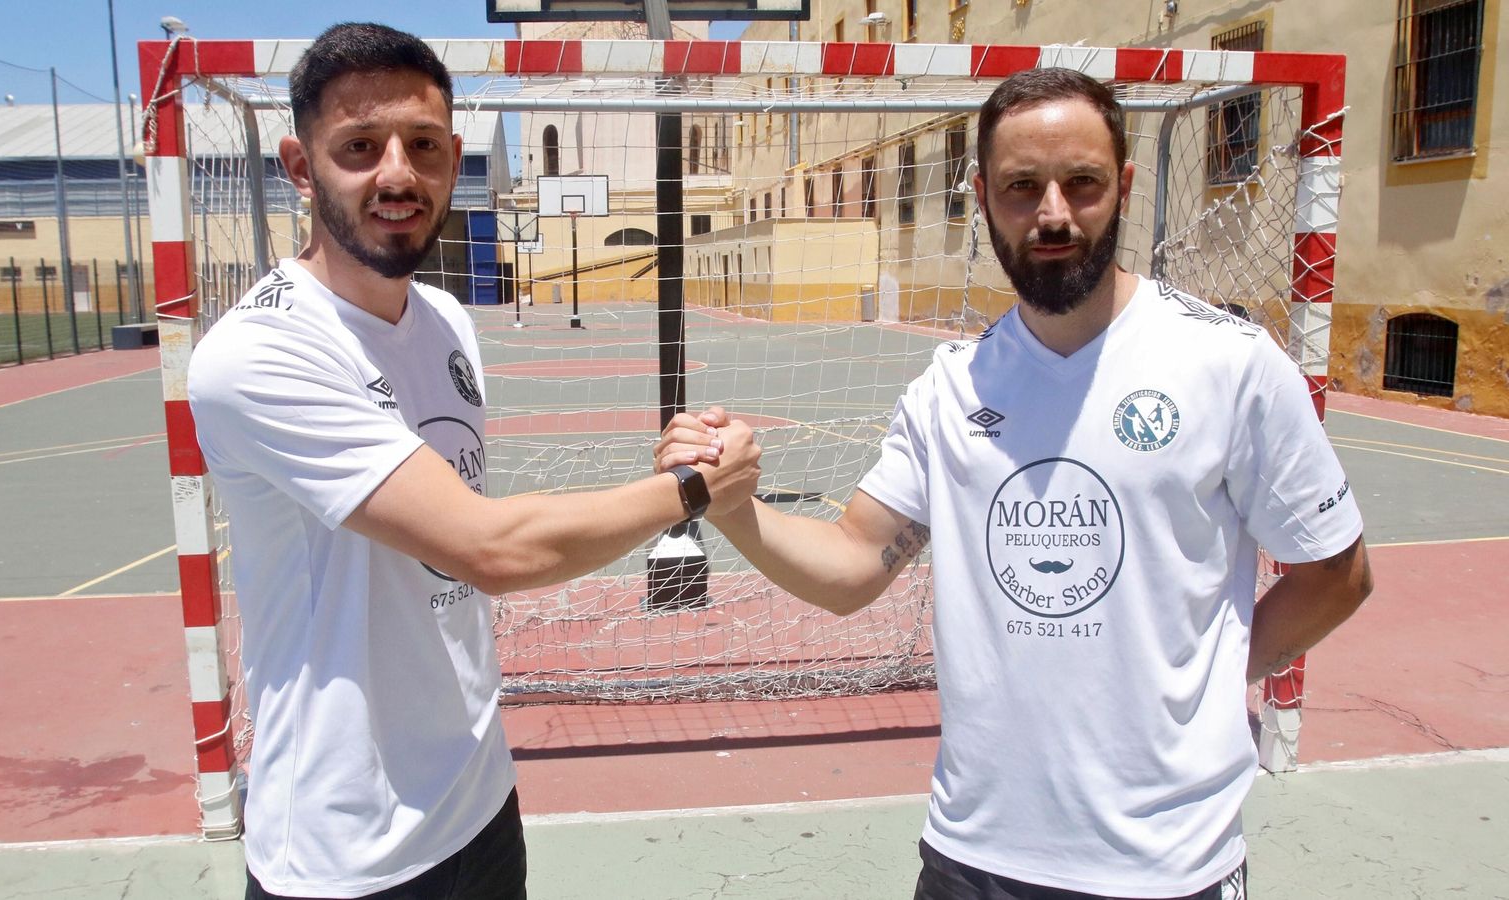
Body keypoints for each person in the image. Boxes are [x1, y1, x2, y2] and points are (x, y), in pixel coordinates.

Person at [656, 67, 1373, 900]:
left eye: (1082, 183)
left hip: (1168, 866)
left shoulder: (1230, 364)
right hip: (974, 859)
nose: (1054, 214)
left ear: (1125, 185)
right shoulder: (951, 388)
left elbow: (1336, 571)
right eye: (1022, 187)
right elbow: (853, 564)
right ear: (983, 198)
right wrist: (734, 510)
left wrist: (1204, 684)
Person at [187, 23, 760, 900]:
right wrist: (689, 489)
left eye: (422, 146)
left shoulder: (446, 322)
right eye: (360, 147)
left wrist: (679, 478)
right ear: (301, 168)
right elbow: (488, 549)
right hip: (349, 850)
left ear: (454, 160)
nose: (397, 174)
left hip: (477, 802)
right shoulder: (259, 353)